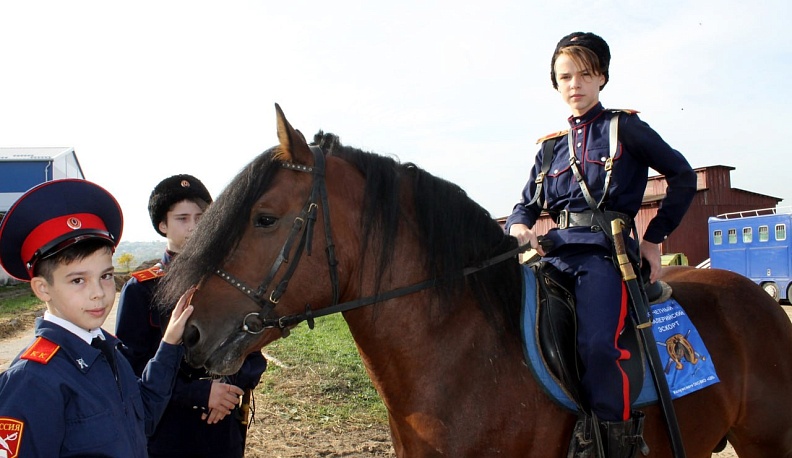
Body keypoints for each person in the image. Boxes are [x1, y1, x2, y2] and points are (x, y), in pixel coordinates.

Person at [505, 32, 696, 457]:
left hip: (603, 257)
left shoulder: (625, 128)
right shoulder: (550, 148)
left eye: (584, 74)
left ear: (602, 78)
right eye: (565, 77)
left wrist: (653, 239)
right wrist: (519, 227)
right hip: (553, 256)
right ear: (556, 85)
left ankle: (613, 445)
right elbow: (525, 205)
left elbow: (684, 176)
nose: (575, 84)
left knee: (596, 345)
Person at [0, 178, 194, 457]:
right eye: (78, 280)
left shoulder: (105, 350)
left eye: (105, 276)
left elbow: (144, 419)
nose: (99, 294)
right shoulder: (32, 381)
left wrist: (170, 344)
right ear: (43, 288)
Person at [116, 174, 267, 458]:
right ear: (163, 225)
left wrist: (227, 389)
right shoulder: (142, 289)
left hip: (224, 424)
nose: (194, 227)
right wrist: (199, 394)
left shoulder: (231, 282)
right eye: (182, 219)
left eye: (202, 217)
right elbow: (131, 370)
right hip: (168, 428)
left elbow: (254, 349)